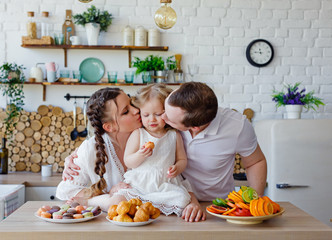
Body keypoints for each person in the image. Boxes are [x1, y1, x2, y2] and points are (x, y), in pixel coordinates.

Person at [56, 86, 205, 222]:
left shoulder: (160, 133)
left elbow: (178, 177)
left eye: (132, 103)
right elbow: (67, 193)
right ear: (110, 127)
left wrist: (193, 203)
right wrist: (106, 193)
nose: (136, 110)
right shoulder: (91, 149)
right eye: (126, 111)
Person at [161, 82, 267, 200]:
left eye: (170, 119)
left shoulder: (238, 126)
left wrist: (255, 201)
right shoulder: (167, 113)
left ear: (195, 127)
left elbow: (255, 162)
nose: (162, 117)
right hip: (174, 199)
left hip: (216, 202)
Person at [115, 84, 192, 216]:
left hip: (164, 184)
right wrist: (140, 155)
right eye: (146, 115)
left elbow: (182, 159)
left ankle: (150, 207)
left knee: (183, 198)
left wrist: (177, 168)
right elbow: (128, 161)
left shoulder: (174, 135)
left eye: (158, 114)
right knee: (120, 198)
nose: (152, 119)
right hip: (140, 184)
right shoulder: (138, 134)